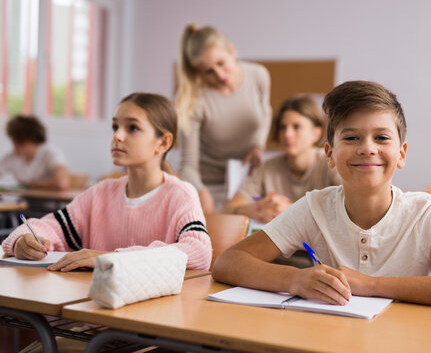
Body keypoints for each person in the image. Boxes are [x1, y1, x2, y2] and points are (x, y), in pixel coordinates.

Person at [212, 81, 431, 311]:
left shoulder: (429, 212)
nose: (367, 148)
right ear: (329, 154)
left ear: (401, 154)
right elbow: (229, 262)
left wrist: (370, 285)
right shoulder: (314, 207)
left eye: (382, 137)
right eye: (351, 138)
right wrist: (297, 279)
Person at [2, 93, 212, 271]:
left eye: (133, 128)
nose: (118, 136)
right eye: (115, 126)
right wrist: (23, 242)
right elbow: (49, 227)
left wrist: (114, 259)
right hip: (92, 309)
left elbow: (199, 252)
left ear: (163, 142)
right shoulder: (100, 193)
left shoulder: (180, 194)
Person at [176, 23, 272, 213]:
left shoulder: (258, 75)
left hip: (247, 185)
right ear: (198, 72)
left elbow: (266, 113)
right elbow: (187, 166)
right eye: (208, 71)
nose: (219, 75)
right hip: (209, 189)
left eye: (221, 63)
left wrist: (259, 145)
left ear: (231, 51)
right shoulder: (193, 100)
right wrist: (201, 192)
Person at [223, 95, 340, 223]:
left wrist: (291, 210)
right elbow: (227, 209)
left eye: (296, 127)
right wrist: (255, 209)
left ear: (316, 133)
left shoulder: (333, 163)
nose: (287, 134)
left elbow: (349, 211)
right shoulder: (268, 167)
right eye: (283, 127)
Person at [0, 116, 70, 190]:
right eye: (14, 143)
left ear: (34, 141)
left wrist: (31, 185)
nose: (15, 148)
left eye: (21, 144)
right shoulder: (12, 157)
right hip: (24, 199)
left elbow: (61, 182)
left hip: (50, 200)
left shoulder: (51, 153)